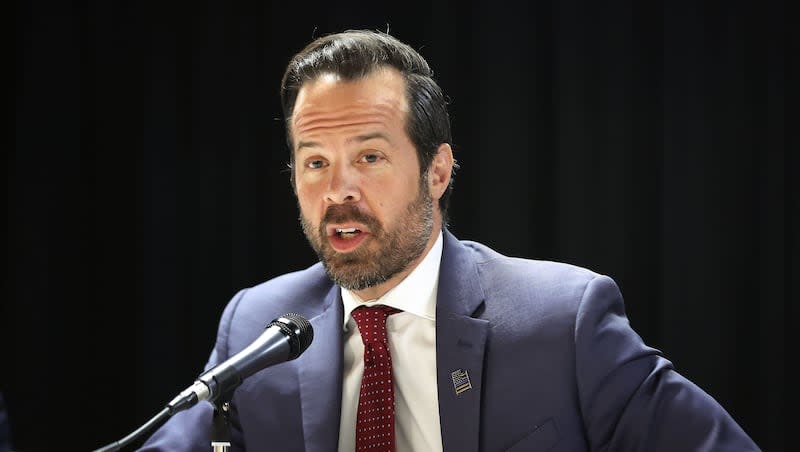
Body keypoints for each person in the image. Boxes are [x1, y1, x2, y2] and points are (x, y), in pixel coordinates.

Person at [140, 30, 759, 451]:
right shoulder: (257, 325)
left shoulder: (563, 321)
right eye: (314, 162)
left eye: (371, 156)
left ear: (438, 171)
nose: (337, 190)